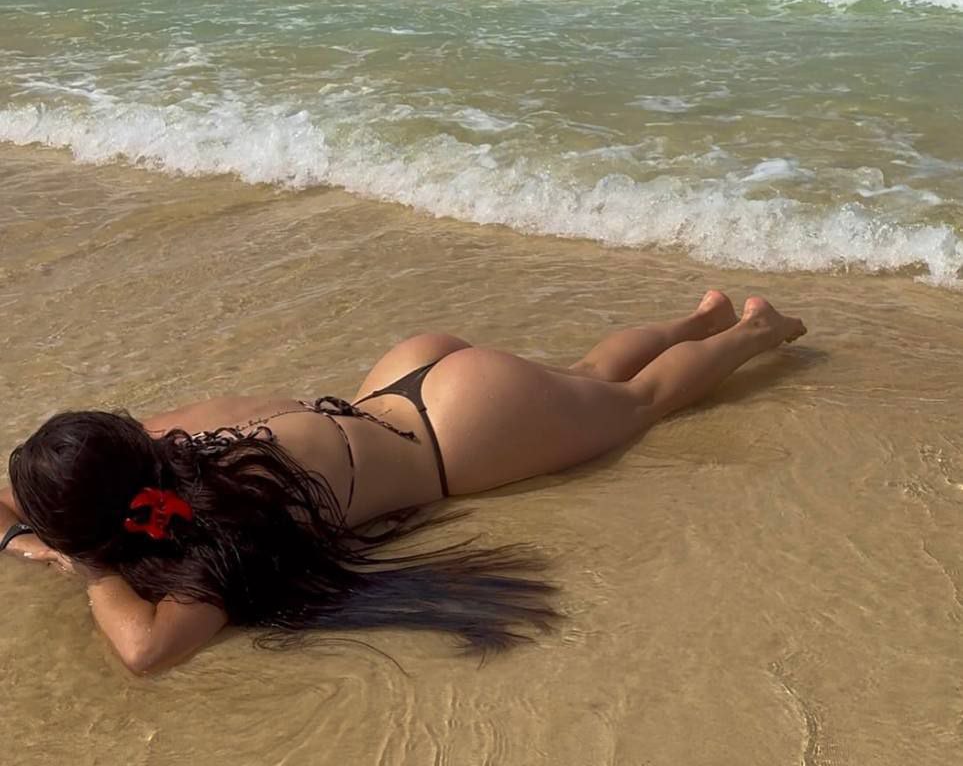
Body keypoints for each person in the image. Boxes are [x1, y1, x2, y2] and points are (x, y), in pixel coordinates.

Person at [1, 292, 804, 673]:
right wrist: (31, 531)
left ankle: (754, 332)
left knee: (640, 403)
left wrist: (91, 565)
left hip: (462, 437)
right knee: (591, 374)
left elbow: (145, 651)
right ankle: (698, 318)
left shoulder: (219, 541)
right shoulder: (179, 444)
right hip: (404, 377)